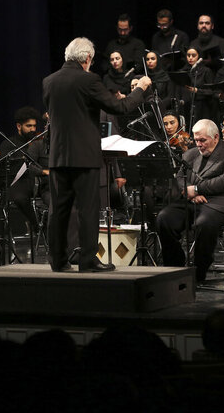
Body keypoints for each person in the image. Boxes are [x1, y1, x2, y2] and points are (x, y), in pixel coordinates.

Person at [43, 37, 151, 272]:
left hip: (59, 157)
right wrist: (140, 89)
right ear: (88, 58)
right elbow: (119, 107)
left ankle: (58, 261)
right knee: (88, 211)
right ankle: (87, 261)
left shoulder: (49, 81)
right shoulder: (89, 79)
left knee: (58, 211)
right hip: (85, 157)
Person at [155, 119, 224, 282]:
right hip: (193, 200)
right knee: (164, 218)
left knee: (203, 223)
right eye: (196, 140)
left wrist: (196, 189)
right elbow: (180, 177)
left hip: (222, 202)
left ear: (216, 137)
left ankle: (199, 270)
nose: (199, 144)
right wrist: (190, 192)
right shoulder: (191, 153)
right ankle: (175, 267)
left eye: (203, 140)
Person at [0, 107, 50, 234]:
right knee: (19, 197)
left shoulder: (40, 143)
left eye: (34, 126)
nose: (33, 129)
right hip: (19, 182)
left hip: (39, 183)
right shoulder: (8, 144)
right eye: (29, 126)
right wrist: (42, 171)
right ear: (19, 126)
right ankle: (37, 225)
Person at [180, 47, 217, 126]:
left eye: (193, 55)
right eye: (188, 55)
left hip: (203, 107)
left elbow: (212, 91)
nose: (190, 58)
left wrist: (197, 91)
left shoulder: (206, 71)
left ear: (199, 57)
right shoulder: (184, 71)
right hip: (188, 106)